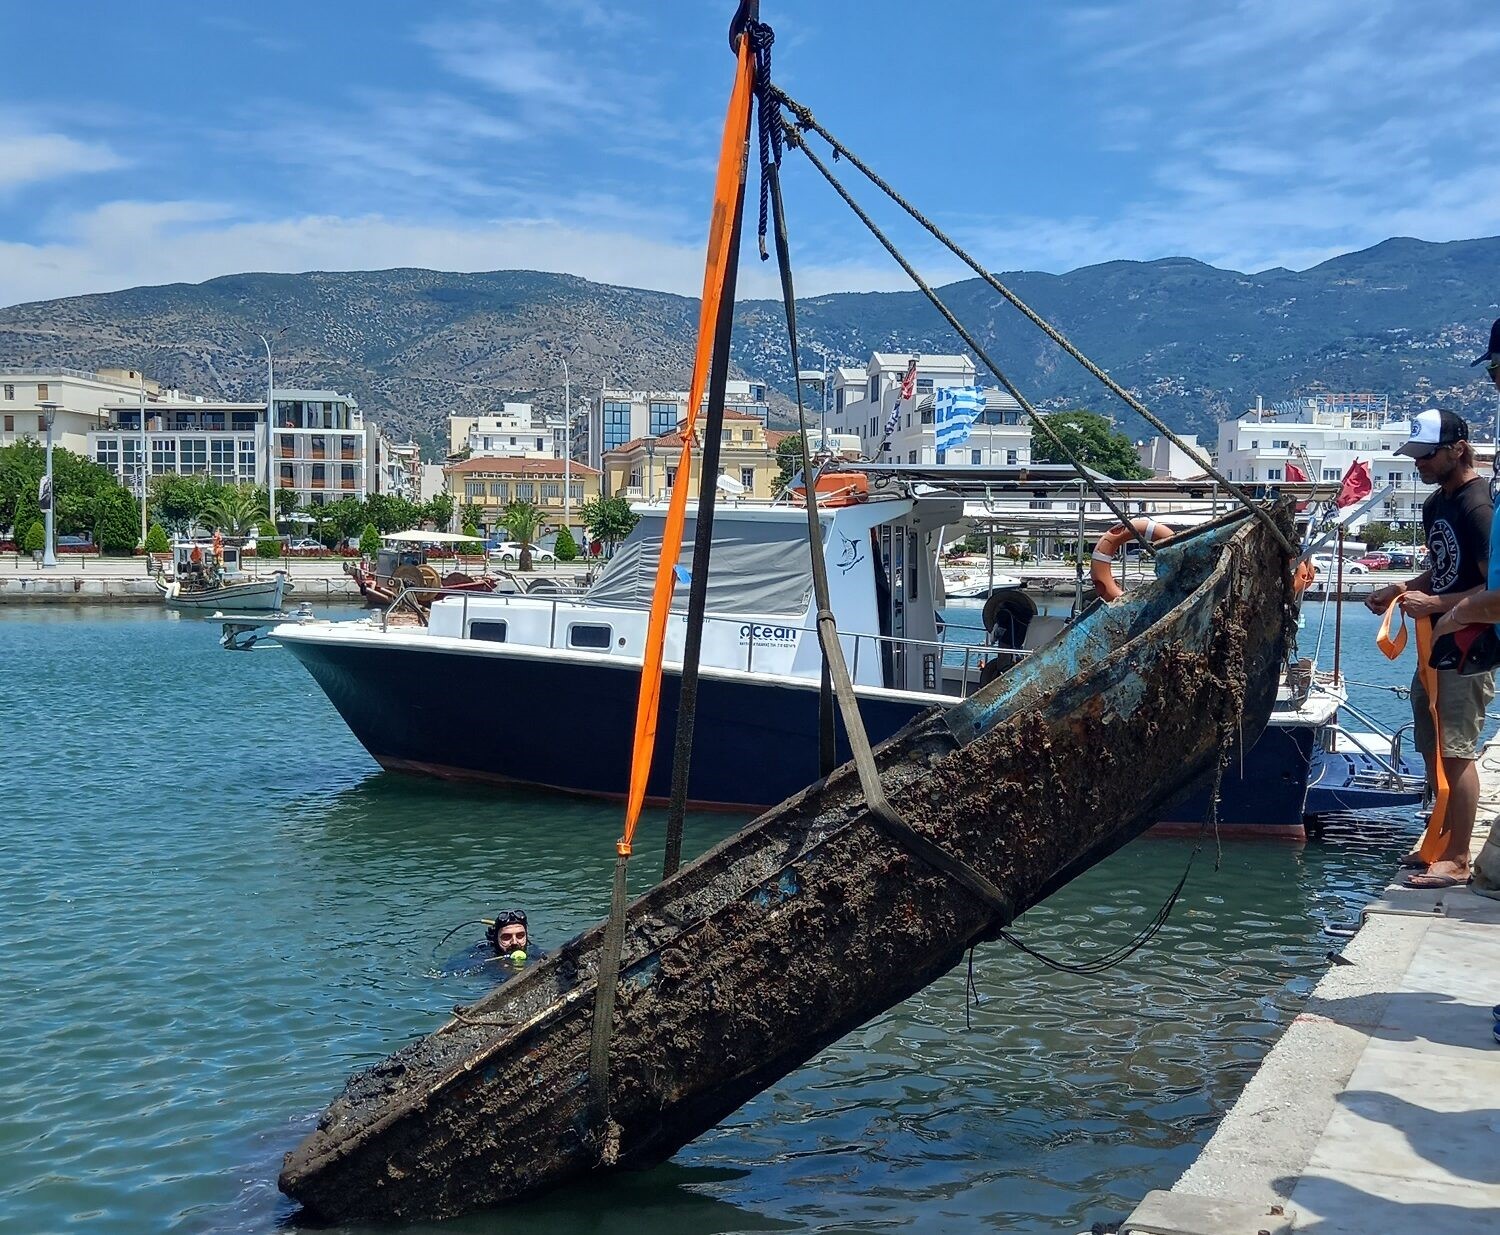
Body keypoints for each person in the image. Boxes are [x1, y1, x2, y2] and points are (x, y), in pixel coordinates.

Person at [1366, 407, 1495, 888]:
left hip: (1469, 645)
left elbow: (1490, 588)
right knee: (1432, 748)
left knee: (1458, 750)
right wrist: (1402, 586)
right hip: (1434, 646)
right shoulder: (1436, 504)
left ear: (1457, 449)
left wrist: (1435, 601)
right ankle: (1437, 840)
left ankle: (1459, 857)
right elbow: (1444, 568)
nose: (1418, 464)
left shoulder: (1478, 507)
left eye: (1427, 455)